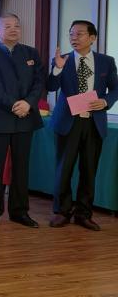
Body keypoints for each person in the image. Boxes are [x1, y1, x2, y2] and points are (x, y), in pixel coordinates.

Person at [47, 20, 118, 231]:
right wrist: (57, 68)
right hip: (68, 120)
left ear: (92, 38)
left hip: (94, 121)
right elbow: (50, 86)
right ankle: (62, 211)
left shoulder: (106, 61)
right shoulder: (62, 60)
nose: (74, 38)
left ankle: (83, 214)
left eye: (79, 34)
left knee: (89, 170)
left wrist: (105, 101)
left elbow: (115, 89)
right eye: (71, 34)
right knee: (64, 168)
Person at [0, 13, 43, 228]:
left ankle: (19, 211)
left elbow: (39, 82)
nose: (14, 29)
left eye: (17, 26)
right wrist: (14, 105)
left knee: (21, 168)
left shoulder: (31, 53)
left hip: (26, 117)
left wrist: (28, 103)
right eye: (8, 26)